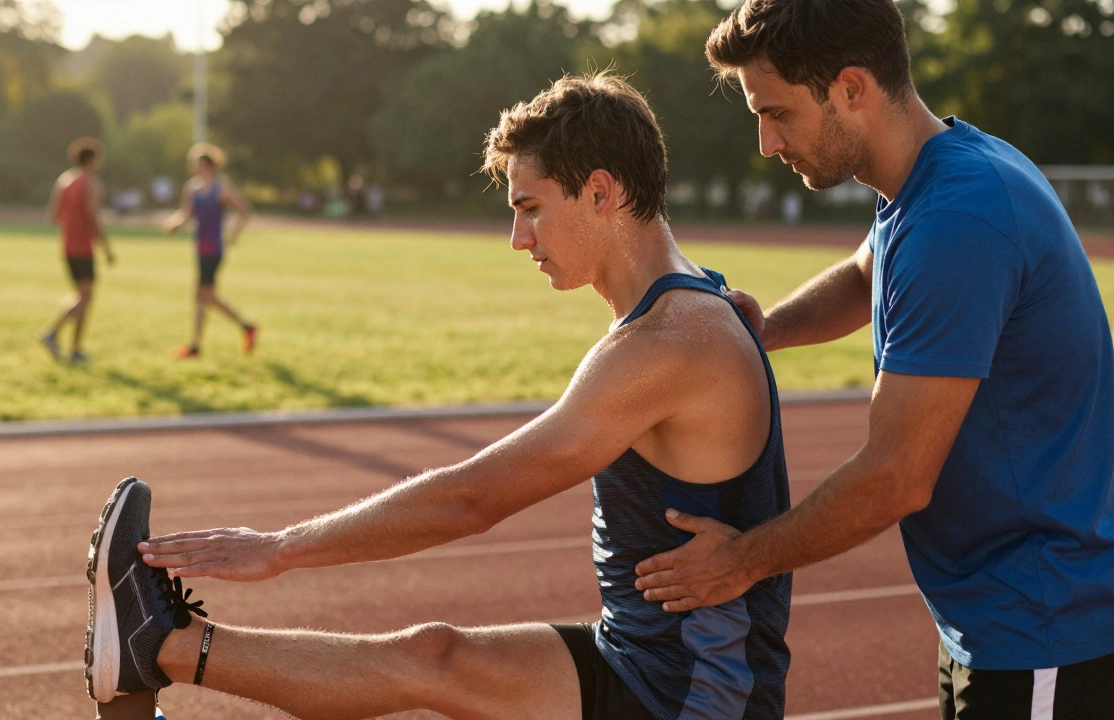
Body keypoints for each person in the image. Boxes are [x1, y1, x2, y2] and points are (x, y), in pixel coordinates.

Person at [86, 73, 794, 720]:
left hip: (694, 697)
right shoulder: (691, 306)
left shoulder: (666, 342)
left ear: (601, 193)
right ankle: (158, 644)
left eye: (531, 208)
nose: (518, 238)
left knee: (433, 665)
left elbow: (471, 500)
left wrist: (277, 549)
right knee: (434, 656)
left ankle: (161, 644)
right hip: (639, 656)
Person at [630, 2, 1114, 718]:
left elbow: (895, 477)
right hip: (993, 618)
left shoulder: (956, 218)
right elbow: (866, 274)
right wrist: (763, 331)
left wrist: (738, 562)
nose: (766, 143)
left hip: (1044, 623)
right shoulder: (933, 177)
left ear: (851, 88)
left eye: (777, 113)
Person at [163, 143, 258, 358]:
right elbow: (186, 214)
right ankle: (200, 343)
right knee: (203, 296)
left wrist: (233, 235)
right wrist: (174, 223)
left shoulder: (220, 189)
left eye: (195, 162)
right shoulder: (192, 188)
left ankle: (243, 327)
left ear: (206, 164)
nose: (191, 165)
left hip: (214, 248)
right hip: (200, 246)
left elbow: (244, 211)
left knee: (204, 295)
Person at [42, 137, 116, 363]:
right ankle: (70, 345)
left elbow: (53, 216)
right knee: (86, 297)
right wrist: (106, 247)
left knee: (81, 294)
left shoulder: (64, 181)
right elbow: (94, 217)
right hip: (83, 247)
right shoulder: (90, 184)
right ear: (93, 160)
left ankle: (57, 336)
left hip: (67, 246)